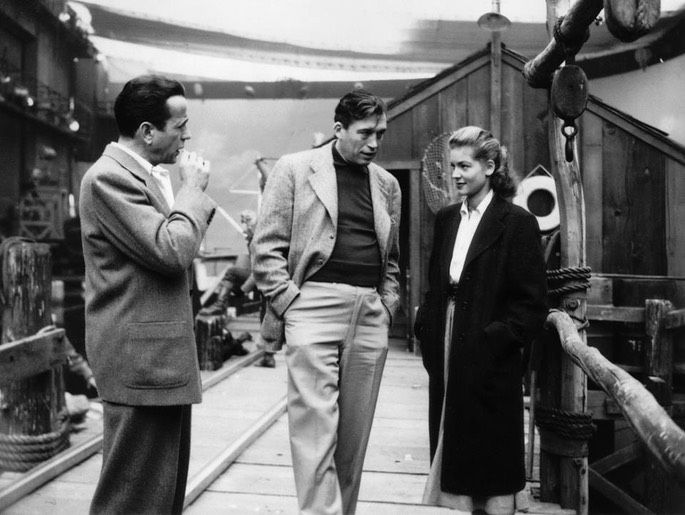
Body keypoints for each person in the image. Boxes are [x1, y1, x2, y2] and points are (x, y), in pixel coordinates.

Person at [251, 89, 401, 514]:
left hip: (369, 312)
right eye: (365, 133)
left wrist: (387, 305)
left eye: (381, 134)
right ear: (339, 129)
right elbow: (266, 248)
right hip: (311, 305)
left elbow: (391, 259)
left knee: (353, 438)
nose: (374, 143)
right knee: (315, 432)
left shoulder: (387, 185)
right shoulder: (295, 169)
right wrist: (290, 303)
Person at [79, 75, 216, 514]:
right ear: (147, 132)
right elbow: (172, 250)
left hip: (156, 361)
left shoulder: (140, 177)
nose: (187, 136)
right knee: (131, 500)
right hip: (141, 364)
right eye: (180, 125)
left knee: (159, 497)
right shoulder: (108, 179)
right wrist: (192, 191)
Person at [414, 126, 547, 515]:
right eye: (452, 166)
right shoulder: (447, 219)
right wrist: (428, 330)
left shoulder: (516, 223)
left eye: (464, 166)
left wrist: (494, 341)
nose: (455, 175)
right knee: (452, 437)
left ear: (489, 167)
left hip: (489, 349)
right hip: (446, 341)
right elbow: (436, 284)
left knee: (490, 451)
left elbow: (532, 304)